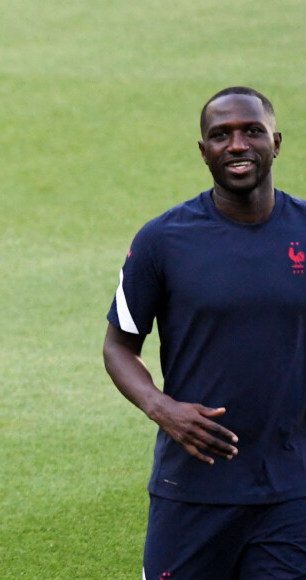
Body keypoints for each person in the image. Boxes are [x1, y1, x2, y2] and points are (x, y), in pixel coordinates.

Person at [103, 87, 306, 579]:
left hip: (292, 491)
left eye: (251, 131)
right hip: (192, 488)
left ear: (275, 142)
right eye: (221, 135)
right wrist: (161, 408)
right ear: (204, 152)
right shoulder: (163, 240)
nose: (237, 145)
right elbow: (118, 345)